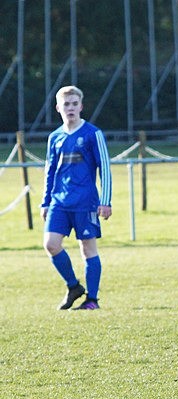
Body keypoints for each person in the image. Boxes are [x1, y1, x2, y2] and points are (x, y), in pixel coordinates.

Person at [41, 85, 112, 310]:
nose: (70, 108)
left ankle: (92, 300)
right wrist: (45, 201)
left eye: (74, 104)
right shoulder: (55, 137)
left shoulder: (93, 134)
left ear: (81, 106)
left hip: (86, 201)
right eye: (66, 104)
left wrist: (105, 200)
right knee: (51, 244)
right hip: (59, 202)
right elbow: (50, 171)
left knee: (87, 248)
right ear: (58, 108)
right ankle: (74, 286)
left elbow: (105, 169)